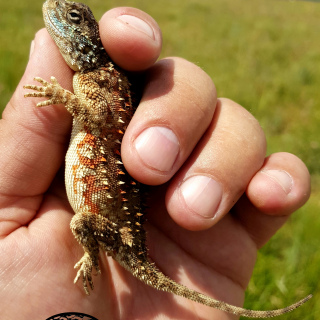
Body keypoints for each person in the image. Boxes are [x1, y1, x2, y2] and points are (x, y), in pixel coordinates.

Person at [0, 6, 310, 319]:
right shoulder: (96, 78)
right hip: (103, 199)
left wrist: (60, 95)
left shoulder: (97, 78)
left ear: (89, 40)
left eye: (74, 18)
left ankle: (92, 255)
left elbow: (95, 116)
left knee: (81, 223)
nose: (56, 8)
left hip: (104, 213)